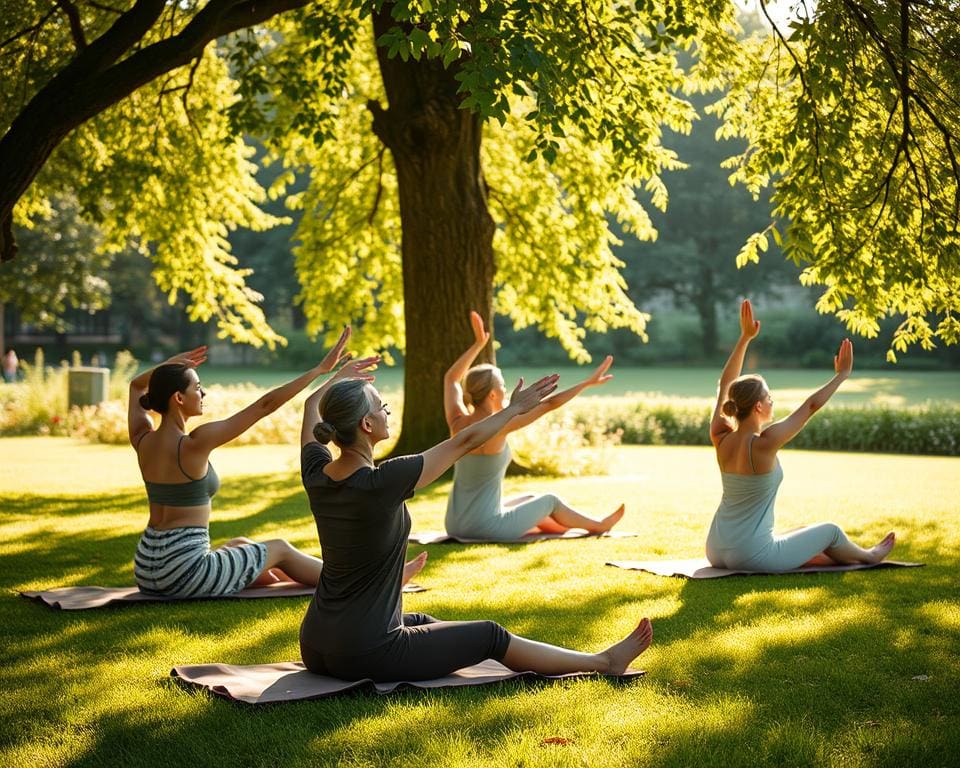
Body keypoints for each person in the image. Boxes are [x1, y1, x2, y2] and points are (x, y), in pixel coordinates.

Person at [298, 374, 653, 682]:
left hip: (316, 644)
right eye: (380, 405)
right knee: (489, 635)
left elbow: (310, 408)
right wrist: (514, 409)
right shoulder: (383, 481)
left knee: (423, 620)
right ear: (366, 425)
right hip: (366, 653)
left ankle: (460, 648)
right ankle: (604, 662)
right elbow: (464, 441)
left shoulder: (316, 473)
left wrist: (332, 379)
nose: (386, 410)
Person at [128, 328, 426, 598]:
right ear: (179, 398)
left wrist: (168, 368)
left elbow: (135, 387)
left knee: (239, 543)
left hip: (147, 568)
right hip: (182, 574)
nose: (203, 393)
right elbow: (264, 406)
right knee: (280, 549)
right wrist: (320, 371)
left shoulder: (143, 439)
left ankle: (270, 574)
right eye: (197, 387)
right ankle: (371, 580)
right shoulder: (194, 444)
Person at [705, 299, 896, 571]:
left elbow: (725, 385)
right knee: (830, 531)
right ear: (758, 406)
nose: (773, 401)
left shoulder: (720, 436)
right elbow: (810, 407)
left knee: (802, 531)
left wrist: (745, 338)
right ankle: (869, 556)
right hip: (749, 554)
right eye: (769, 397)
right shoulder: (765, 444)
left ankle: (839, 556)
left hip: (716, 549)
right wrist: (842, 376)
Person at [441, 311, 625, 540]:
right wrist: (586, 384)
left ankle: (571, 529)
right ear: (491, 395)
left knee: (529, 498)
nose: (505, 389)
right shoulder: (501, 426)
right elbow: (550, 404)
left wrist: (479, 344)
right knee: (549, 500)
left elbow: (451, 379)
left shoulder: (457, 422)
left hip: (455, 524)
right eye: (502, 385)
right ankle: (598, 526)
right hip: (483, 526)